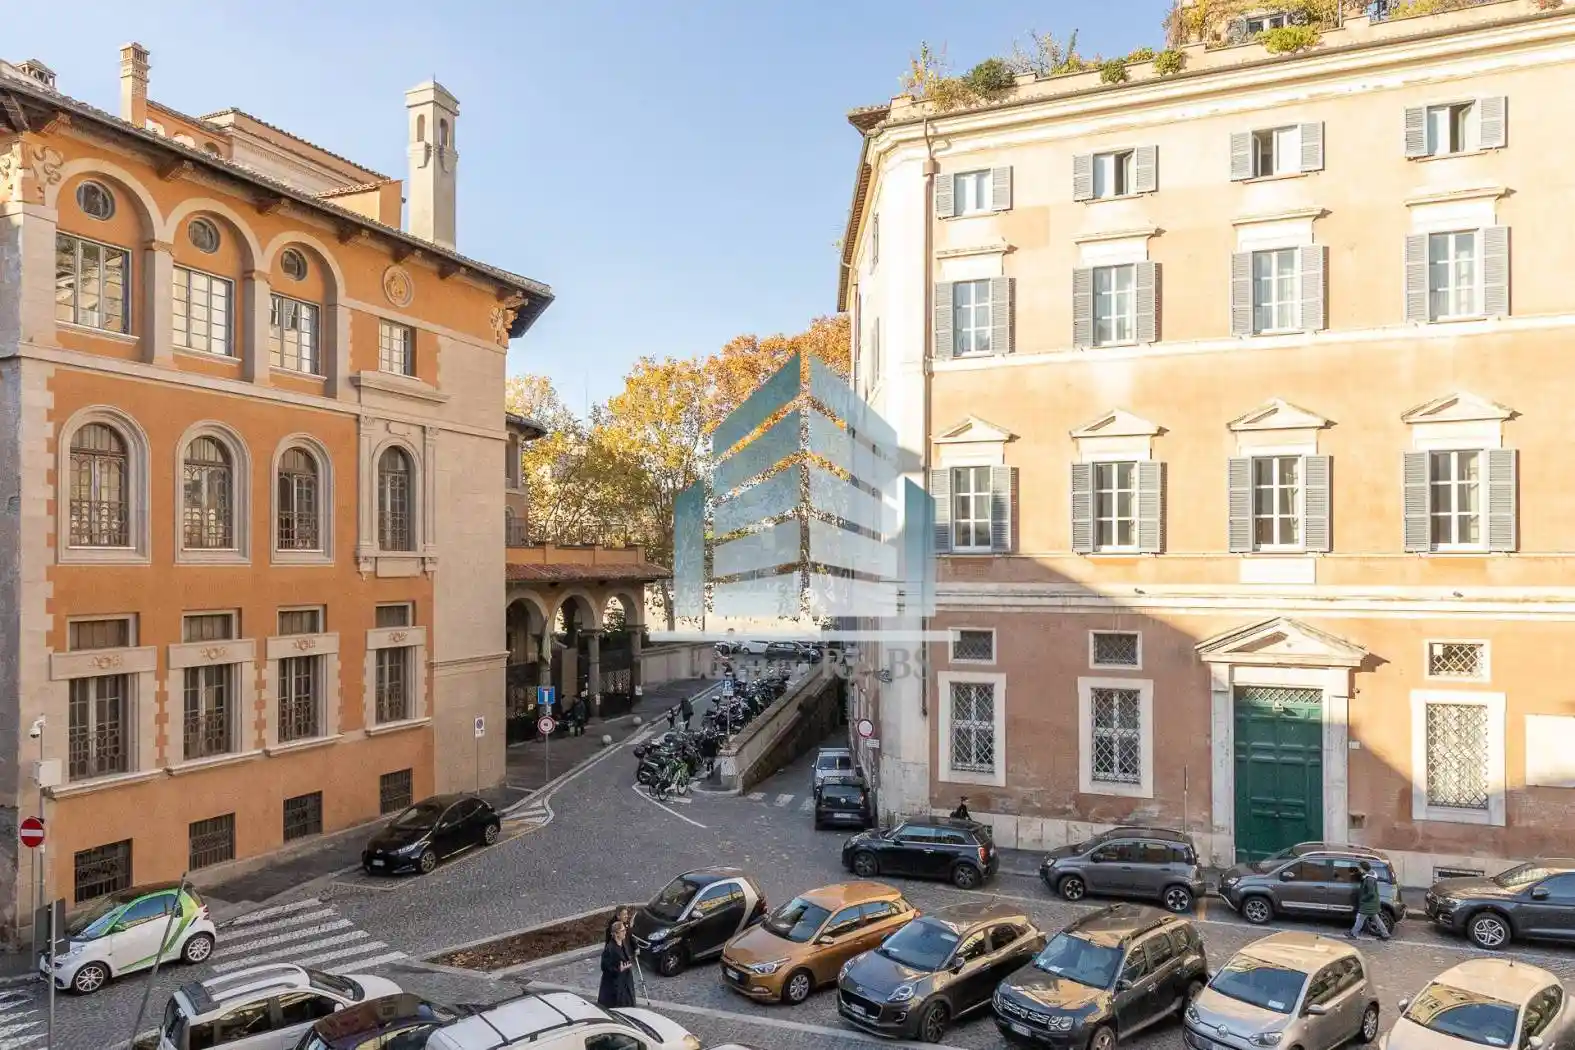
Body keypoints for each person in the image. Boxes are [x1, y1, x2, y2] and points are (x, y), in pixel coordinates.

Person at [1348, 860, 1391, 940]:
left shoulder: (1369, 879)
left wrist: (1363, 899)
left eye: (1359, 868)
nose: (1359, 869)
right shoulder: (1369, 876)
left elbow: (1371, 893)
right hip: (1372, 902)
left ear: (1363, 868)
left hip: (1368, 903)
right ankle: (1385, 934)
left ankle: (1353, 934)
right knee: (1376, 919)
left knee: (1360, 918)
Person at [599, 921, 637, 1007]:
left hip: (625, 981)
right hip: (615, 986)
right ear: (616, 934)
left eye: (625, 930)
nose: (625, 932)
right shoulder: (610, 949)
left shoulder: (623, 943)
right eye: (622, 931)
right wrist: (618, 970)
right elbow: (605, 968)